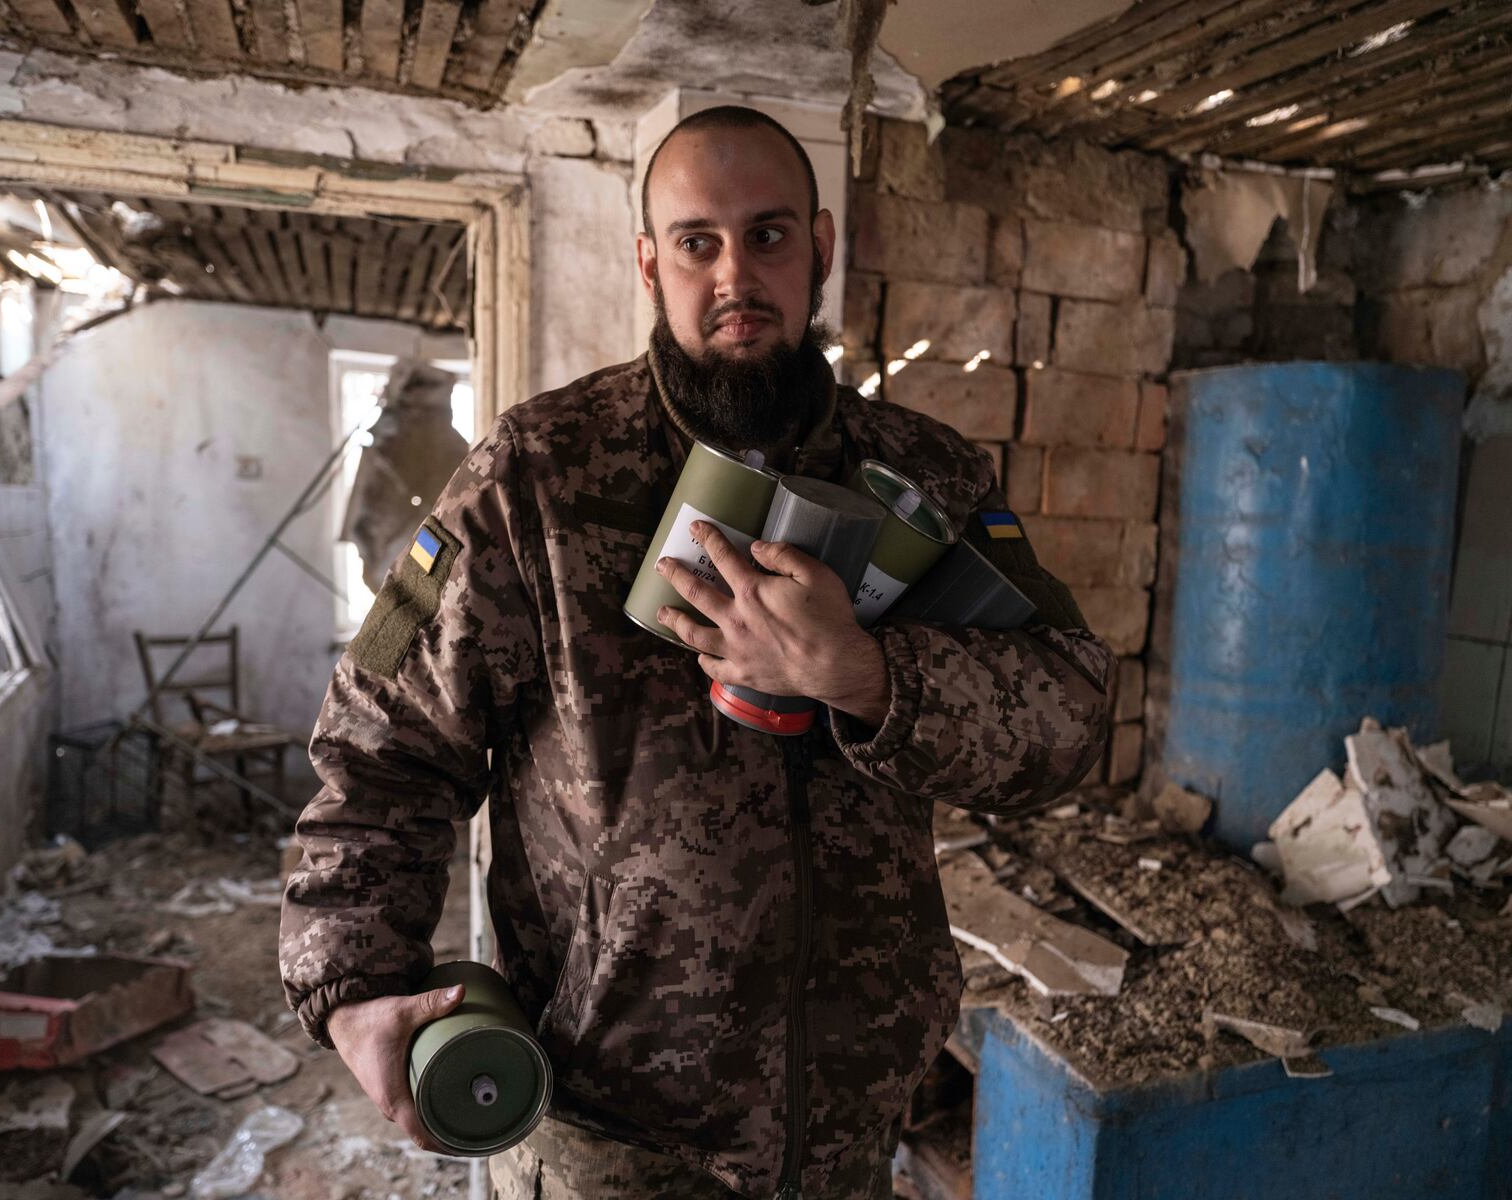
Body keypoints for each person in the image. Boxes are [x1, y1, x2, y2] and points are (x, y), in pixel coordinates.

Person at [280, 104, 1112, 1199]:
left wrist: (862, 674)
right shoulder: (536, 479)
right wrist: (354, 984)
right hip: (611, 1136)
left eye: (767, 236)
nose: (733, 274)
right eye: (696, 242)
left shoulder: (927, 478)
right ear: (647, 260)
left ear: (819, 247)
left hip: (851, 1127)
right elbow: (383, 751)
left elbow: (1070, 717)